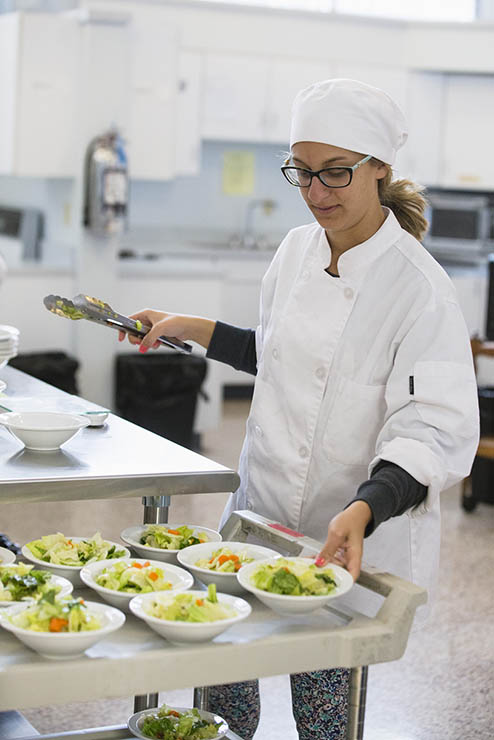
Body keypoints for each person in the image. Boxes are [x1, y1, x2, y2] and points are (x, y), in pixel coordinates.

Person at [119, 79, 479, 740]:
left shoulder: (419, 288)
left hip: (344, 536)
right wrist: (188, 325)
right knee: (222, 689)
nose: (317, 193)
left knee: (323, 716)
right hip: (258, 518)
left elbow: (434, 427)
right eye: (303, 173)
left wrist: (366, 506)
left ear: (379, 170)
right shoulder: (294, 252)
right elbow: (282, 355)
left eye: (336, 173)